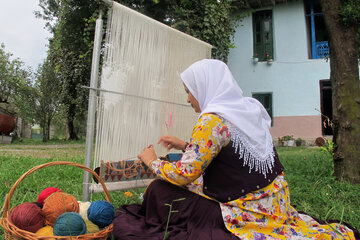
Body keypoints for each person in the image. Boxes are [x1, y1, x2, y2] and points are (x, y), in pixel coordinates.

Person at [112, 59, 359, 239]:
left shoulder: (212, 120)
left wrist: (151, 160)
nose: (188, 99)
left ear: (204, 88)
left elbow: (185, 173)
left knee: (159, 189)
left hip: (244, 211)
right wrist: (184, 145)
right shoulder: (249, 109)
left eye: (190, 91)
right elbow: (233, 155)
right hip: (275, 204)